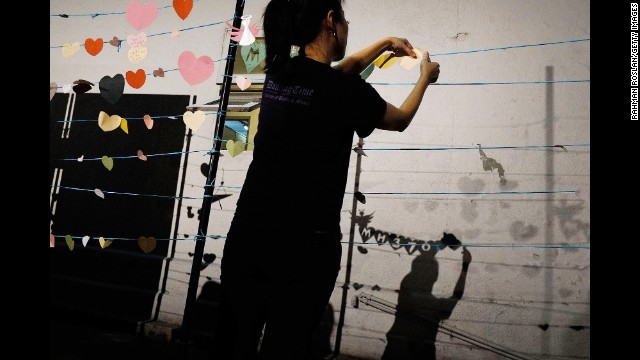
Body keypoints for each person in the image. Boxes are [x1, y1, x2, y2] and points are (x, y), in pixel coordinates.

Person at [213, 0, 440, 359]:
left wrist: (384, 44)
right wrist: (424, 78)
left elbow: (337, 74)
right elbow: (399, 119)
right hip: (305, 247)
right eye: (344, 19)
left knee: (231, 345)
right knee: (284, 349)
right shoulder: (345, 91)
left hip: (249, 234)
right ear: (331, 21)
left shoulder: (279, 73)